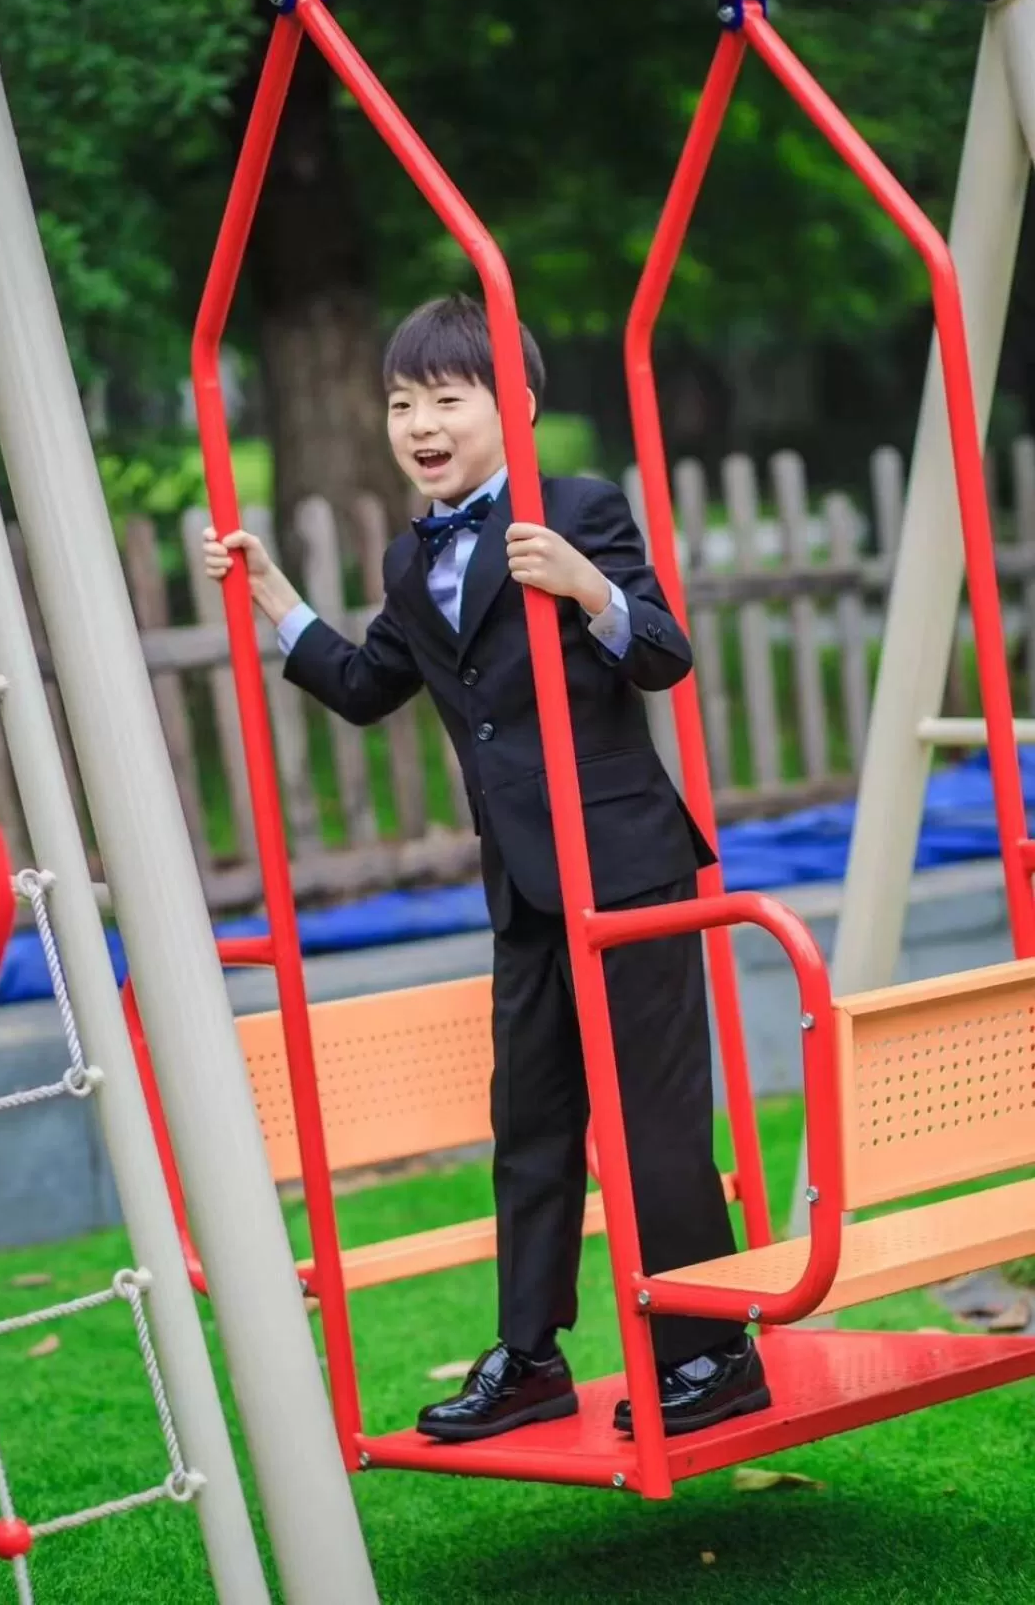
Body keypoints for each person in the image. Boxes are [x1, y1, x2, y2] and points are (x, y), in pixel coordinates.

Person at [204, 293, 770, 1442]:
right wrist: (275, 597)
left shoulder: (579, 509)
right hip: (522, 885)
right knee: (531, 1119)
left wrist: (586, 586)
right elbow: (365, 687)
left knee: (651, 1118)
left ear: (513, 405)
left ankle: (710, 1352)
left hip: (627, 867)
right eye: (401, 404)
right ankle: (530, 1355)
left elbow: (663, 655)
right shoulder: (413, 561)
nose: (420, 424)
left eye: (446, 399)